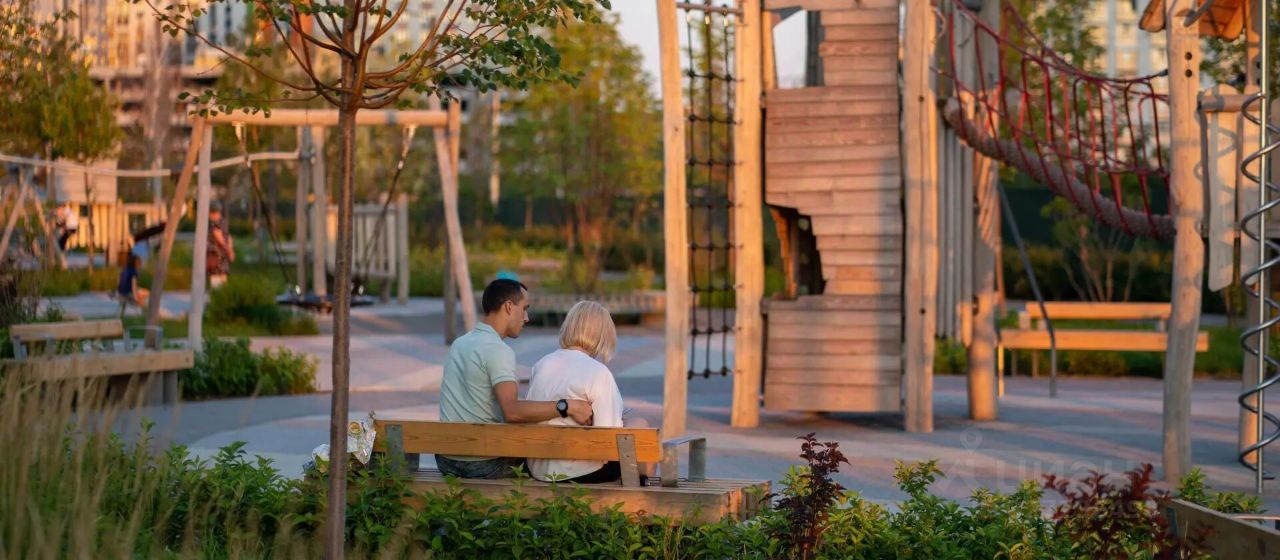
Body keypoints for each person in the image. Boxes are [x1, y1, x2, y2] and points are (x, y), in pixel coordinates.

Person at [436, 279, 594, 479]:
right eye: (525, 309)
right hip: (482, 464)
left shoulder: (460, 343)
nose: (526, 318)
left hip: (446, 460)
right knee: (549, 463)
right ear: (509, 307)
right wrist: (567, 406)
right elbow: (512, 412)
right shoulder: (498, 350)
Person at [525, 300, 650, 484]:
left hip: (538, 468)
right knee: (640, 425)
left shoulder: (541, 365)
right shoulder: (598, 372)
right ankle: (646, 489)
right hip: (578, 471)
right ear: (602, 335)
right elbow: (608, 442)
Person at [207, 202, 234, 288]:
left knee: (216, 279)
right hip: (223, 255)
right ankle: (222, 293)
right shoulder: (224, 221)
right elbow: (229, 237)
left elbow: (218, 236)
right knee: (223, 277)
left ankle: (217, 292)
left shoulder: (214, 223)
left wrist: (228, 250)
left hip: (215, 255)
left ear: (212, 212)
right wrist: (230, 250)